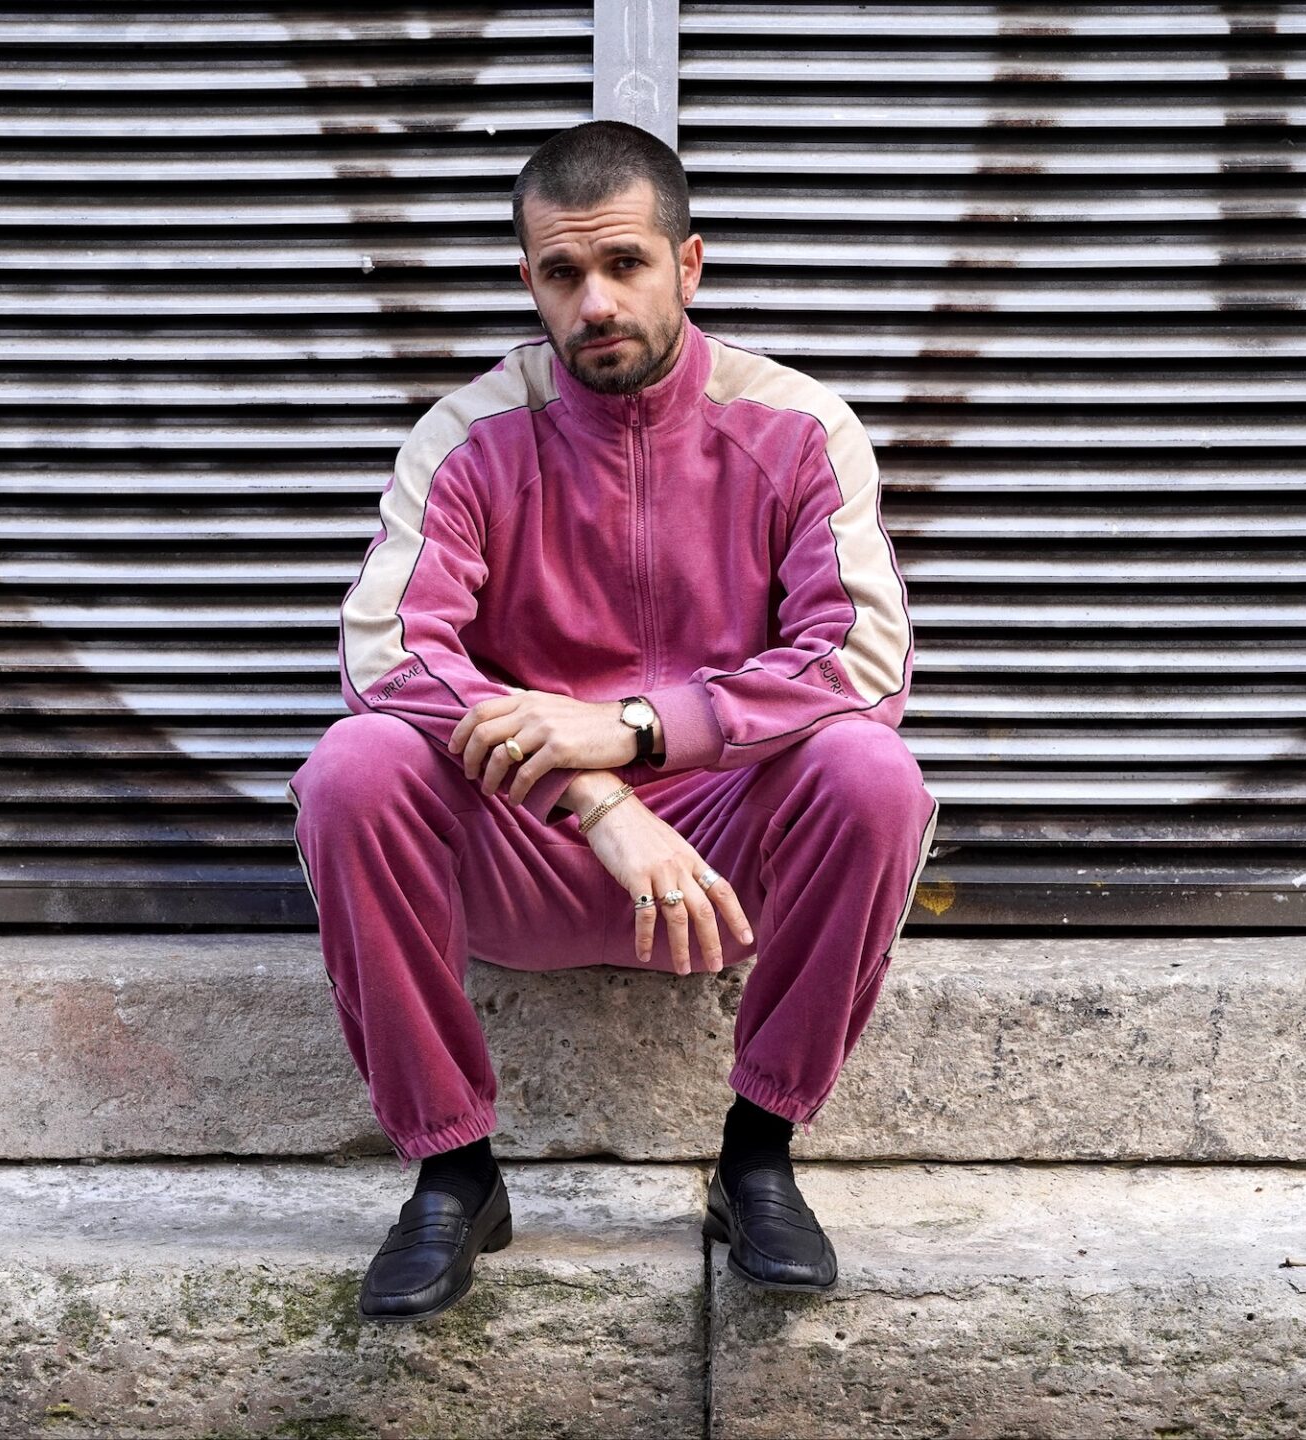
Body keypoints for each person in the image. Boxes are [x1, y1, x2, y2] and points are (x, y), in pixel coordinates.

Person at [286, 120, 938, 1324]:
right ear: (528, 280)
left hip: (726, 862)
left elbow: (859, 655)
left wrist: (635, 730)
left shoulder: (798, 427)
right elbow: (389, 657)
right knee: (354, 766)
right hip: (533, 844)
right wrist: (591, 789)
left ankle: (756, 1157)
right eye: (560, 273)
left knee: (872, 772)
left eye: (624, 264)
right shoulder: (469, 436)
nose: (595, 301)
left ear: (688, 265)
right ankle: (452, 1173)